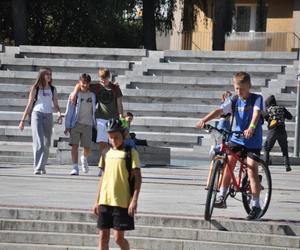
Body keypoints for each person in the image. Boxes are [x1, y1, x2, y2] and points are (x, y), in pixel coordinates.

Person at [197, 71, 264, 220]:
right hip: (237, 138)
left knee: (252, 169)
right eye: (236, 88)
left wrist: (252, 127)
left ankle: (256, 205)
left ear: (249, 86)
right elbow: (219, 111)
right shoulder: (234, 100)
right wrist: (204, 120)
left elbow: (256, 114)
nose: (239, 92)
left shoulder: (257, 99)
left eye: (242, 89)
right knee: (228, 163)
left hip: (252, 140)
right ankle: (221, 195)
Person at [93, 118, 142, 250]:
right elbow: (102, 178)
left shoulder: (130, 153)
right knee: (103, 237)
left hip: (122, 202)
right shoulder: (105, 153)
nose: (113, 141)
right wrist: (97, 200)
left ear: (124, 135)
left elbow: (138, 178)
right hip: (105, 201)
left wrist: (134, 200)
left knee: (118, 238)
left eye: (116, 137)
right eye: (110, 137)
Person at [70, 68, 124, 160]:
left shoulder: (115, 88)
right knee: (102, 142)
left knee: (113, 142)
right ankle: (102, 164)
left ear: (109, 77)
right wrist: (75, 92)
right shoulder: (96, 87)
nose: (103, 80)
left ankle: (110, 163)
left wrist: (121, 116)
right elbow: (81, 84)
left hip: (113, 118)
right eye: (101, 78)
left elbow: (119, 104)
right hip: (101, 118)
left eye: (105, 78)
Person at [19, 67, 62, 175]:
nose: (49, 76)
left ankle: (42, 166)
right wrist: (22, 120)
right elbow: (29, 105)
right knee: (39, 142)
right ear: (42, 75)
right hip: (37, 114)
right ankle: (37, 167)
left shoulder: (53, 89)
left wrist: (59, 114)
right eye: (47, 74)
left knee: (47, 143)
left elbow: (56, 105)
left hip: (48, 116)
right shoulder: (35, 88)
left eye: (50, 74)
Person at [64, 74, 96, 175]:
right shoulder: (74, 95)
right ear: (79, 83)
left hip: (88, 124)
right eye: (82, 84)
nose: (85, 85)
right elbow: (69, 111)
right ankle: (75, 167)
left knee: (87, 147)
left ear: (89, 84)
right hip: (76, 123)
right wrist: (67, 125)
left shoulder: (92, 95)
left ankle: (84, 158)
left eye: (86, 84)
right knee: (74, 145)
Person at [263, 95, 293, 172]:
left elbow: (264, 117)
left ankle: (265, 166)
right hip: (282, 131)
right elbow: (290, 117)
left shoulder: (268, 110)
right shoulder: (282, 108)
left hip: (272, 131)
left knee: (267, 148)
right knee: (284, 149)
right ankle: (287, 166)